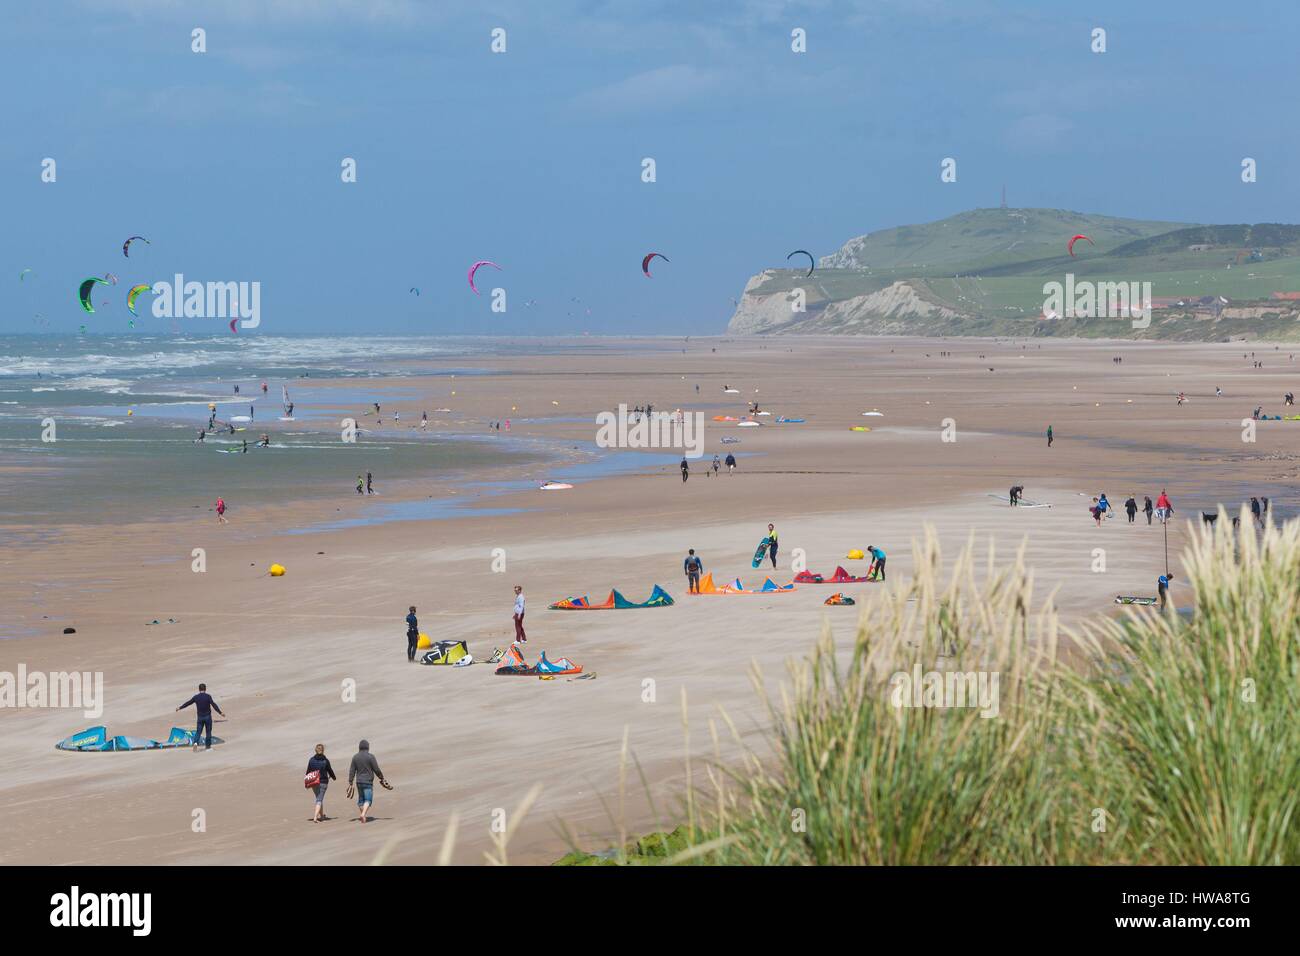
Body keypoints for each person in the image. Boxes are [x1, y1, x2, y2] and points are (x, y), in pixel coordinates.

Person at [347, 740, 388, 824]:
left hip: (359, 782)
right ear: (367, 747)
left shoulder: (355, 757)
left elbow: (352, 770)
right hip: (368, 782)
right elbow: (376, 769)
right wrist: (381, 777)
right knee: (368, 800)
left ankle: (363, 816)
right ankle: (363, 814)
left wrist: (350, 781)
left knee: (361, 800)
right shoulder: (370, 757)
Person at [176, 683, 224, 751]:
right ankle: (208, 747)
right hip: (207, 717)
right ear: (205, 689)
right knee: (208, 732)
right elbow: (214, 705)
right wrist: (220, 712)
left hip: (200, 718)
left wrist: (180, 707)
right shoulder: (208, 696)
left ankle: (195, 743)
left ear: (199, 689)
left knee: (198, 732)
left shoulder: (196, 697)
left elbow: (188, 703)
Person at [307, 744, 337, 822]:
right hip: (323, 782)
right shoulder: (325, 760)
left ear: (315, 750)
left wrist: (307, 782)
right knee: (319, 799)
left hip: (314, 782)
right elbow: (330, 771)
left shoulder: (311, 760)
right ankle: (315, 817)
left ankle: (322, 817)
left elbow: (308, 772)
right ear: (323, 750)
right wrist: (334, 777)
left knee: (319, 798)